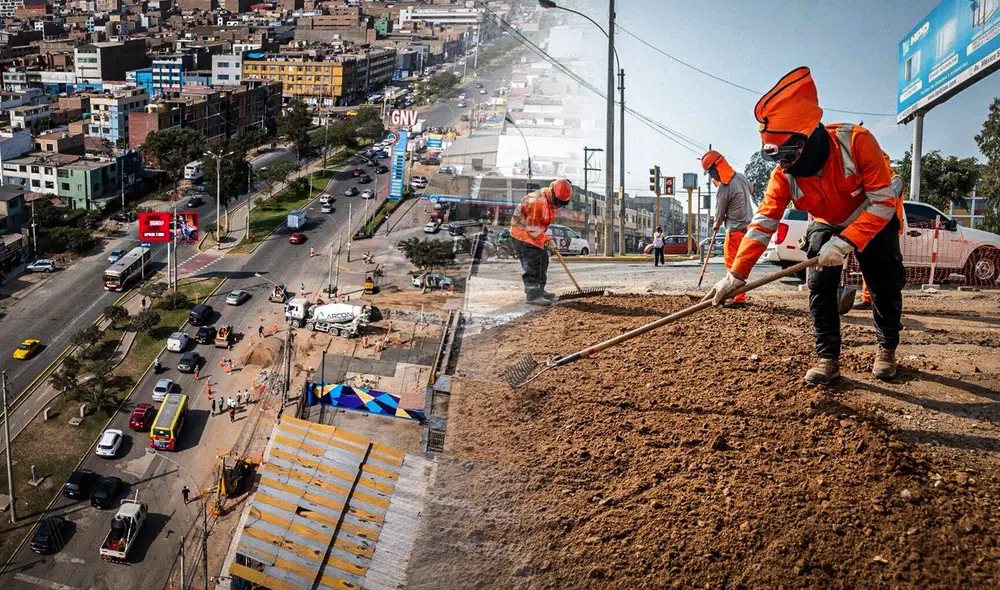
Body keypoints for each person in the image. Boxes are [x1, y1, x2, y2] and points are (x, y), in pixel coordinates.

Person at [707, 67, 905, 384]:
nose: (784, 165)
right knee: (819, 285)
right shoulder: (784, 175)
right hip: (826, 220)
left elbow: (883, 203)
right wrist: (736, 275)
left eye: (788, 156)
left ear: (807, 139)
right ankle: (828, 358)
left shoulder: (857, 143)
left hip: (872, 217)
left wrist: (846, 242)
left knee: (883, 284)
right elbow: (762, 225)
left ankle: (886, 350)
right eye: (778, 159)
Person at [701, 150, 755, 308]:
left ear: (717, 167)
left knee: (732, 266)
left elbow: (719, 213)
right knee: (741, 265)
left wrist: (716, 225)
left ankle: (737, 298)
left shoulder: (724, 188)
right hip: (748, 230)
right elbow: (750, 190)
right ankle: (738, 296)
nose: (712, 178)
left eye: (711, 173)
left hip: (734, 233)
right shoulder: (741, 178)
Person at [510, 178, 574, 306]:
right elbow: (532, 228)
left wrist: (545, 240)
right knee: (533, 262)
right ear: (553, 193)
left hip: (532, 234)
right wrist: (547, 240)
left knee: (543, 259)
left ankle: (539, 290)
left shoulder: (549, 201)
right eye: (558, 201)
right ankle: (532, 295)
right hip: (522, 235)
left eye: (562, 203)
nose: (559, 204)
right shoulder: (538, 202)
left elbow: (538, 226)